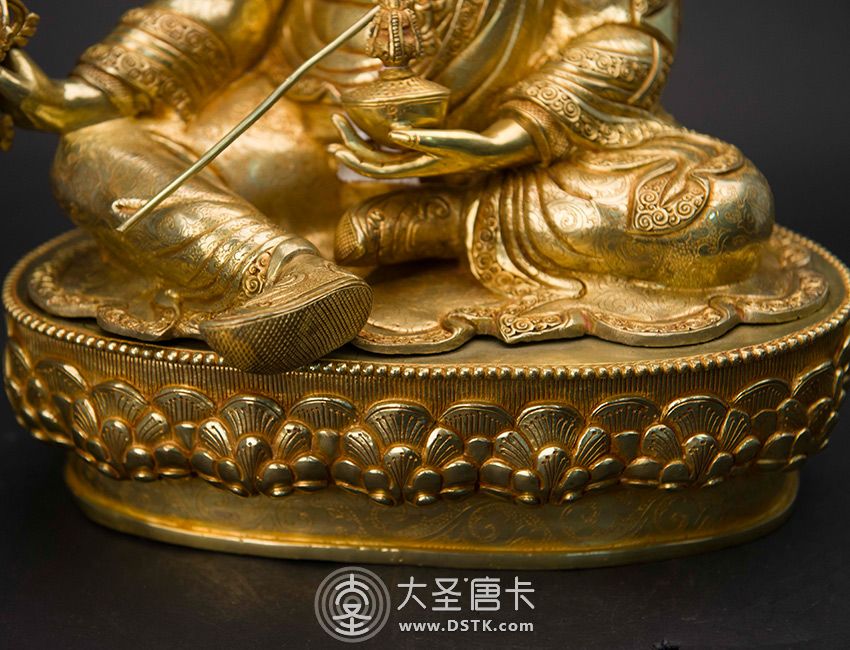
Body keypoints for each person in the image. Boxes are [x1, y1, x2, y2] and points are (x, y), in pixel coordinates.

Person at [0, 0, 774, 372]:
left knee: (724, 206)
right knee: (96, 152)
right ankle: (278, 272)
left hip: (510, 160)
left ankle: (439, 224)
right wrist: (84, 96)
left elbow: (625, 27)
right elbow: (213, 11)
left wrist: (507, 137)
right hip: (304, 140)